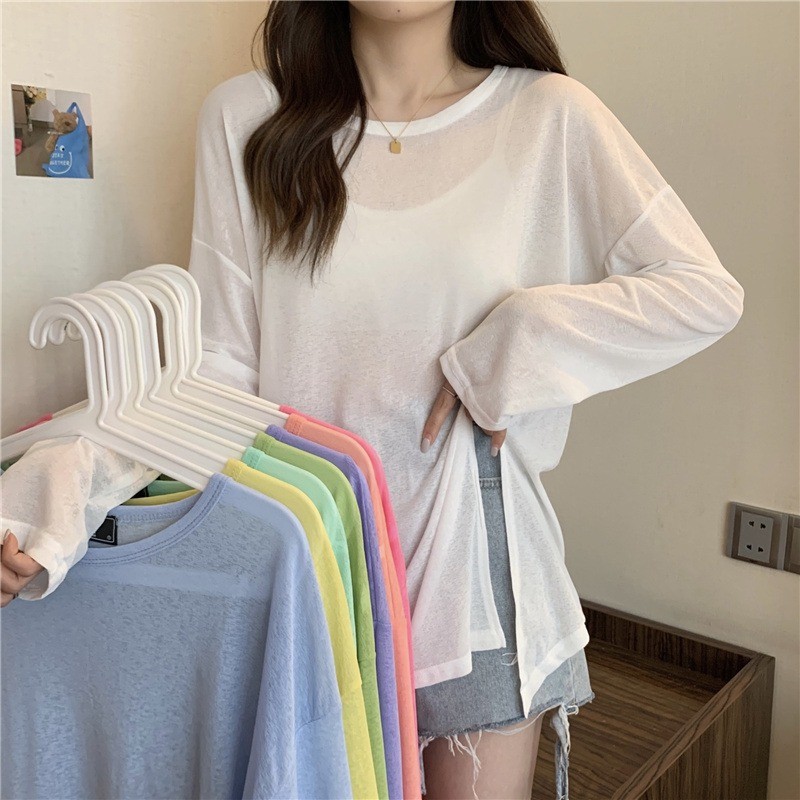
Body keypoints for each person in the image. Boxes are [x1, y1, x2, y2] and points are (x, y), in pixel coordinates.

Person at [2, 2, 745, 798]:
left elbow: (700, 292)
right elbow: (217, 370)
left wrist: (518, 339)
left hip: (469, 578)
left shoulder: (548, 116)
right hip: (310, 575)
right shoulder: (246, 116)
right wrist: (68, 485)